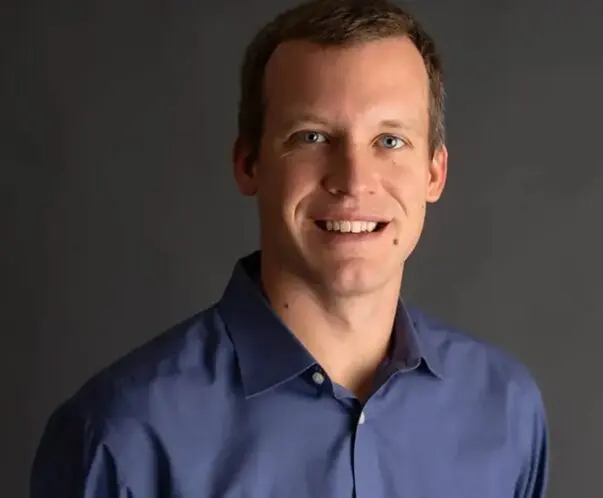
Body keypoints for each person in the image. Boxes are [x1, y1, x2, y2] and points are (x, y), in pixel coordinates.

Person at [30, 0, 549, 496]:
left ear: (435, 172)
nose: (353, 181)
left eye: (390, 141)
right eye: (313, 137)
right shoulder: (120, 435)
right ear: (249, 163)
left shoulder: (504, 408)